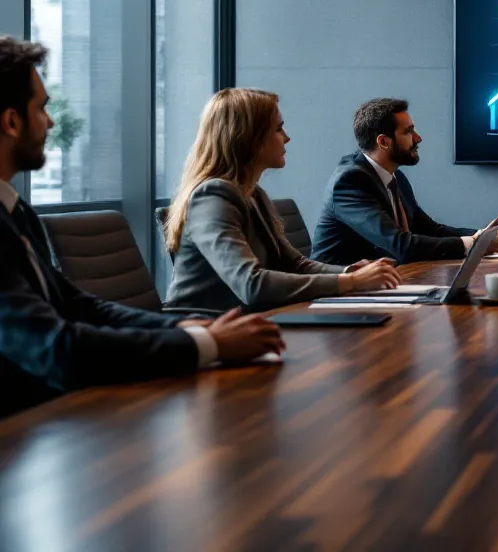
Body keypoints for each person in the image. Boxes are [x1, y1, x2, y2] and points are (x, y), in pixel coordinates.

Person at [0, 37, 285, 417]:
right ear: (11, 121)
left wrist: (186, 329)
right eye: (42, 108)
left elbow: (78, 305)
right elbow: (57, 348)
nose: (51, 121)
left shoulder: (17, 213)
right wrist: (205, 344)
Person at [163, 89, 401, 313]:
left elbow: (295, 264)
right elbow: (252, 284)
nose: (287, 138)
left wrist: (352, 272)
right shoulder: (212, 196)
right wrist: (349, 282)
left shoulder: (253, 194)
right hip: (203, 335)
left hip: (250, 323)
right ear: (248, 138)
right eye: (278, 129)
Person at [310, 98, 498, 266]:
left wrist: (481, 235)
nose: (418, 138)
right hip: (338, 297)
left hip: (383, 283)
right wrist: (474, 244)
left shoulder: (395, 177)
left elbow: (430, 229)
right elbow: (400, 245)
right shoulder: (351, 181)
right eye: (408, 132)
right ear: (383, 141)